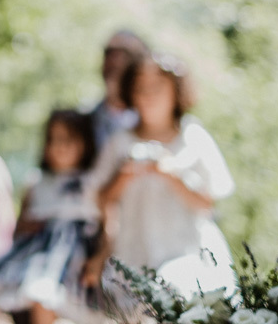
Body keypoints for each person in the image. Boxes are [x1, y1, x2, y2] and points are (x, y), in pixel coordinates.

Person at [83, 52, 234, 299]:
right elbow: (96, 201)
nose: (148, 96)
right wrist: (122, 178)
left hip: (188, 254)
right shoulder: (119, 142)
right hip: (133, 255)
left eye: (156, 88)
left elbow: (208, 203)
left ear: (176, 91)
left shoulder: (193, 136)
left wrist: (171, 175)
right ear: (130, 92)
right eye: (141, 88)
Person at [0, 110, 105, 324]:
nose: (59, 147)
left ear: (84, 142)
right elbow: (18, 229)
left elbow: (106, 227)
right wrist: (31, 226)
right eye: (53, 139)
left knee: (43, 295)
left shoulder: (92, 183)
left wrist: (97, 261)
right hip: (32, 257)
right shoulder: (36, 182)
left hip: (68, 264)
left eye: (67, 139)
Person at [88, 30, 146, 151]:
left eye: (126, 55)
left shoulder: (161, 126)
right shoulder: (80, 124)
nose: (115, 61)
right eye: (109, 53)